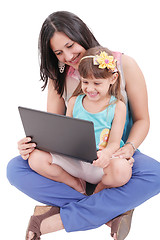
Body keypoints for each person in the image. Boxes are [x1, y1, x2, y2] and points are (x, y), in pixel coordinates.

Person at [6, 11, 160, 240]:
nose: (68, 56)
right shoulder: (58, 77)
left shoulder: (123, 65)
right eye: (59, 52)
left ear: (82, 34)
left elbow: (142, 120)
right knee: (16, 168)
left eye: (70, 45)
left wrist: (127, 148)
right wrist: (31, 145)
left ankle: (58, 219)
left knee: (155, 175)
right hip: (75, 159)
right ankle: (108, 211)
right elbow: (55, 128)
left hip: (114, 155)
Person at [28, 46, 132, 195]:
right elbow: (67, 132)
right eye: (85, 82)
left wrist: (107, 154)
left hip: (100, 164)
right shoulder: (74, 101)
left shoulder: (117, 106)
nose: (90, 89)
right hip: (75, 161)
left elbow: (115, 142)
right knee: (35, 159)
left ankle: (97, 192)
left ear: (113, 79)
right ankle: (75, 184)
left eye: (97, 83)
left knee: (122, 170)